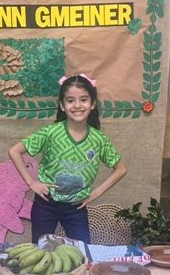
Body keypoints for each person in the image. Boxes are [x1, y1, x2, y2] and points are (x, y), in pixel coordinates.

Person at [8, 74, 127, 244]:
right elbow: (14, 151)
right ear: (62, 106)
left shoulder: (99, 140)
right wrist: (31, 183)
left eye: (84, 99)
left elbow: (121, 169)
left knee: (81, 253)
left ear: (92, 104)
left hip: (75, 208)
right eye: (70, 100)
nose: (77, 105)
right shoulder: (51, 132)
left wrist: (96, 193)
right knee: (40, 250)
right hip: (45, 203)